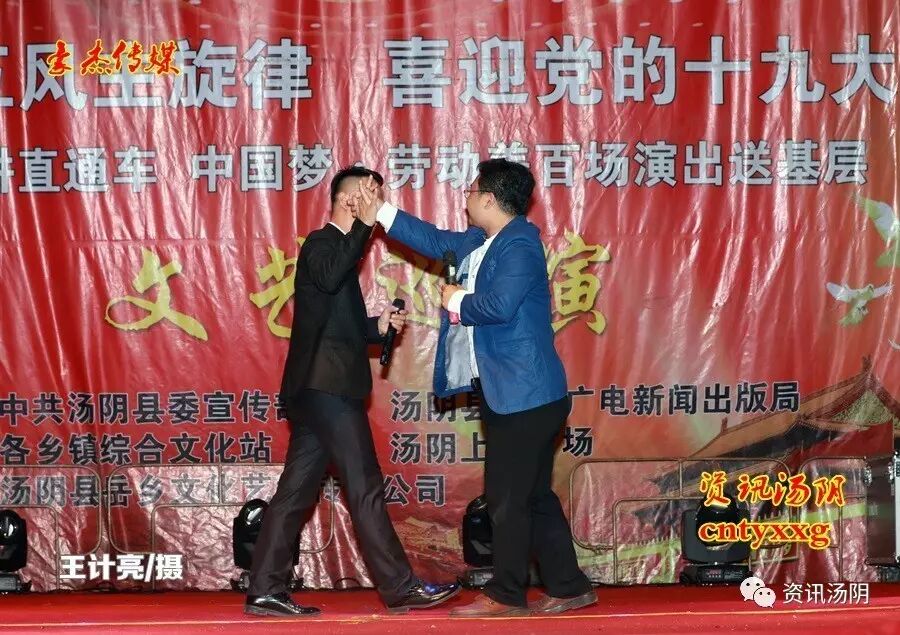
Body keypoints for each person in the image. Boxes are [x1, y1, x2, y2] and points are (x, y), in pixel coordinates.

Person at [356, 159, 597, 617]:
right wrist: (381, 209)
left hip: (527, 395)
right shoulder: (479, 241)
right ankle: (569, 586)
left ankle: (507, 594)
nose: (465, 198)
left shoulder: (520, 245)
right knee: (533, 496)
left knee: (506, 499)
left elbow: (500, 306)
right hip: (513, 393)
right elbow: (433, 240)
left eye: (471, 191)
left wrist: (457, 299)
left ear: (489, 199)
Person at [245, 166, 460, 617]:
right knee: (364, 486)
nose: (377, 205)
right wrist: (363, 224)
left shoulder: (339, 251)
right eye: (370, 195)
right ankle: (400, 587)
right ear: (349, 200)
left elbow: (335, 323)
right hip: (327, 389)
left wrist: (377, 327)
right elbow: (328, 276)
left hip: (320, 389)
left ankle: (265, 587)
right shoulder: (322, 243)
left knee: (294, 493)